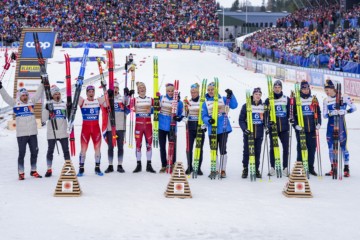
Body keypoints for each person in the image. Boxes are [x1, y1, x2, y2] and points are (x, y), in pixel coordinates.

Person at [0, 81, 44, 180]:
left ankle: (33, 170)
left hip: (32, 133)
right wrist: (1, 87)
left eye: (26, 95)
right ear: (20, 96)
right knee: (22, 153)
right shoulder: (15, 103)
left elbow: (38, 93)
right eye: (23, 95)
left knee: (34, 152)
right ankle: (21, 172)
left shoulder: (31, 101)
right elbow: (6, 97)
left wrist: (42, 83)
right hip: (21, 134)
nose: (25, 97)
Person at [202, 82, 238, 178]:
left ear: (216, 89)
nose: (210, 91)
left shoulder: (223, 99)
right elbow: (203, 116)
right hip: (212, 129)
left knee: (222, 149)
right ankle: (215, 169)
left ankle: (222, 169)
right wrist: (208, 120)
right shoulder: (205, 103)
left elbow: (234, 105)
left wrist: (231, 95)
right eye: (208, 90)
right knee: (213, 149)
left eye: (212, 89)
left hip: (223, 128)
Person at [323, 79, 356, 177]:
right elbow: (324, 115)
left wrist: (345, 111)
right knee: (331, 148)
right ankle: (333, 168)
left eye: (328, 89)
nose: (326, 92)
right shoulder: (326, 100)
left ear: (333, 88)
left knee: (343, 147)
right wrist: (330, 113)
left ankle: (346, 168)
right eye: (325, 90)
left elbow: (354, 107)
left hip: (341, 125)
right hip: (330, 126)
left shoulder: (344, 97)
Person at [293, 80, 321, 176]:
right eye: (303, 88)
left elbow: (318, 112)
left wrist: (319, 123)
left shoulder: (313, 99)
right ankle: (299, 168)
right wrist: (295, 125)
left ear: (309, 88)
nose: (305, 90)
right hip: (301, 129)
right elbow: (292, 115)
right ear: (301, 89)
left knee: (312, 149)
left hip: (312, 129)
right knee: (301, 148)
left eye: (307, 88)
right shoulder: (297, 99)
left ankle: (310, 167)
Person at [77, 85, 106, 176]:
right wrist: (78, 86)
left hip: (96, 129)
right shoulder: (83, 101)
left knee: (97, 149)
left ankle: (97, 168)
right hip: (85, 129)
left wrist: (105, 87)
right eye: (89, 91)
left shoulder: (98, 101)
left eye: (92, 91)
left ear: (94, 92)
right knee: (83, 150)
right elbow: (76, 96)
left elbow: (107, 96)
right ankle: (81, 168)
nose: (91, 93)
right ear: (86, 93)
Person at [42, 85, 70, 177]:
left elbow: (70, 117)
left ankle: (68, 168)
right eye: (55, 94)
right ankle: (49, 169)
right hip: (52, 133)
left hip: (63, 132)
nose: (57, 95)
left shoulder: (64, 104)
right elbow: (43, 119)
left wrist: (70, 108)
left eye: (59, 94)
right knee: (50, 151)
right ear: (52, 95)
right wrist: (46, 109)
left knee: (66, 151)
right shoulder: (49, 104)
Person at [103, 82, 131, 173]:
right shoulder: (108, 97)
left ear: (118, 89)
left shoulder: (121, 98)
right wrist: (107, 95)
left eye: (116, 88)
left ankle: (120, 165)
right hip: (110, 127)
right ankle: (110, 165)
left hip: (120, 126)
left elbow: (127, 104)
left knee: (120, 147)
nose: (115, 89)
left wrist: (127, 95)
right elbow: (103, 105)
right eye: (114, 88)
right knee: (110, 146)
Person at [265, 80, 290, 176]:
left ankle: (285, 167)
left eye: (279, 87)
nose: (277, 89)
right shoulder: (268, 100)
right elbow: (266, 114)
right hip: (273, 127)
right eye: (275, 87)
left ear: (281, 88)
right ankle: (272, 167)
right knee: (273, 147)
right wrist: (267, 124)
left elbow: (289, 113)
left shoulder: (286, 99)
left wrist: (290, 119)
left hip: (284, 128)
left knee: (285, 148)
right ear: (273, 88)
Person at [239, 87, 264, 179]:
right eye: (256, 94)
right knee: (246, 152)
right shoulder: (246, 106)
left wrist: (268, 126)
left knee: (257, 152)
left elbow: (266, 119)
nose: (257, 96)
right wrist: (244, 129)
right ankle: (245, 168)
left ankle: (256, 169)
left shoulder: (263, 106)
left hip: (259, 133)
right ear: (253, 95)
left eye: (259, 94)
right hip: (249, 133)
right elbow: (241, 120)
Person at [158, 83, 183, 173]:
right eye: (168, 90)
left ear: (175, 91)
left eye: (172, 91)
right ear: (166, 91)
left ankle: (172, 163)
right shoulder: (162, 98)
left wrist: (179, 118)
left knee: (173, 146)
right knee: (162, 146)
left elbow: (180, 114)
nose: (170, 92)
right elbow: (155, 109)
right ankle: (164, 165)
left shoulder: (178, 101)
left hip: (172, 127)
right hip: (161, 126)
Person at [132, 82, 156, 173]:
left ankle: (149, 165)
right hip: (138, 125)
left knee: (149, 145)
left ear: (145, 89)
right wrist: (128, 95)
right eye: (140, 87)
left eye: (143, 87)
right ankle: (138, 164)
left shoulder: (150, 99)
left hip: (148, 125)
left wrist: (152, 109)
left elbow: (158, 108)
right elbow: (127, 108)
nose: (142, 89)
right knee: (138, 145)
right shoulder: (135, 100)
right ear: (138, 90)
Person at [182, 83, 206, 175]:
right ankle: (189, 167)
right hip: (190, 127)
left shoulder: (202, 102)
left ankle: (198, 168)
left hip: (199, 127)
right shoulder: (187, 102)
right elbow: (184, 114)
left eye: (195, 92)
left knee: (199, 148)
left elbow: (205, 114)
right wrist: (184, 117)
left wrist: (204, 125)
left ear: (198, 92)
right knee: (189, 148)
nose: (193, 93)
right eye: (192, 92)